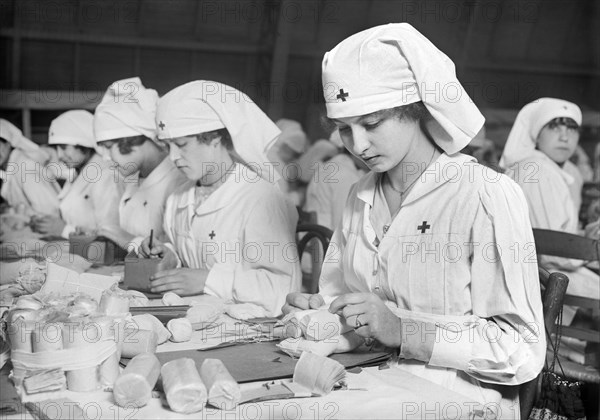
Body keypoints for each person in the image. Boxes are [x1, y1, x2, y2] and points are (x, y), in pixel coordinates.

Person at [283, 23, 545, 417]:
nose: (359, 145)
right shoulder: (360, 195)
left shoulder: (483, 194)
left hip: (455, 397)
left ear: (415, 109)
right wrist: (321, 309)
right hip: (366, 379)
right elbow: (351, 298)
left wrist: (405, 331)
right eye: (344, 130)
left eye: (371, 124)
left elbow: (520, 348)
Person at [139, 81, 300, 317]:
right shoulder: (179, 196)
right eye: (167, 146)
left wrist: (208, 280)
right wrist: (169, 256)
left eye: (182, 145)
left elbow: (283, 290)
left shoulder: (260, 198)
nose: (173, 157)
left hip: (250, 330)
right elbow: (194, 252)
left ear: (214, 138)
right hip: (196, 316)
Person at [500, 98, 599, 324]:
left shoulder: (542, 167)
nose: (565, 136)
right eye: (554, 127)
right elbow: (553, 250)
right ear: (537, 132)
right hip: (540, 282)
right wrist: (589, 247)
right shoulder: (540, 172)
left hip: (542, 275)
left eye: (572, 129)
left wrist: (584, 237)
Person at [94, 77, 190, 252]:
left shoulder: (178, 181)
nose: (106, 158)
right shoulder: (132, 178)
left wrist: (129, 240)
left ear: (133, 139)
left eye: (109, 148)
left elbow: (179, 253)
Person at [30, 110, 125, 238]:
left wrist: (64, 230)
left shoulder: (106, 176)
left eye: (64, 147)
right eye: (57, 148)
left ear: (83, 143)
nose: (59, 155)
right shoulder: (76, 174)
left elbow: (111, 235)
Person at [304, 129, 367, 231]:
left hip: (315, 235)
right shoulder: (345, 176)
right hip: (327, 240)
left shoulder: (333, 165)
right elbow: (344, 225)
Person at [0, 119, 61, 216]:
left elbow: (50, 212)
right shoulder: (9, 168)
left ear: (8, 144)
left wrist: (12, 212)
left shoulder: (25, 168)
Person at [268, 118, 309, 207]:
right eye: (293, 153)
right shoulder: (276, 162)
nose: (292, 158)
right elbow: (281, 203)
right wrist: (299, 196)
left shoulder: (265, 152)